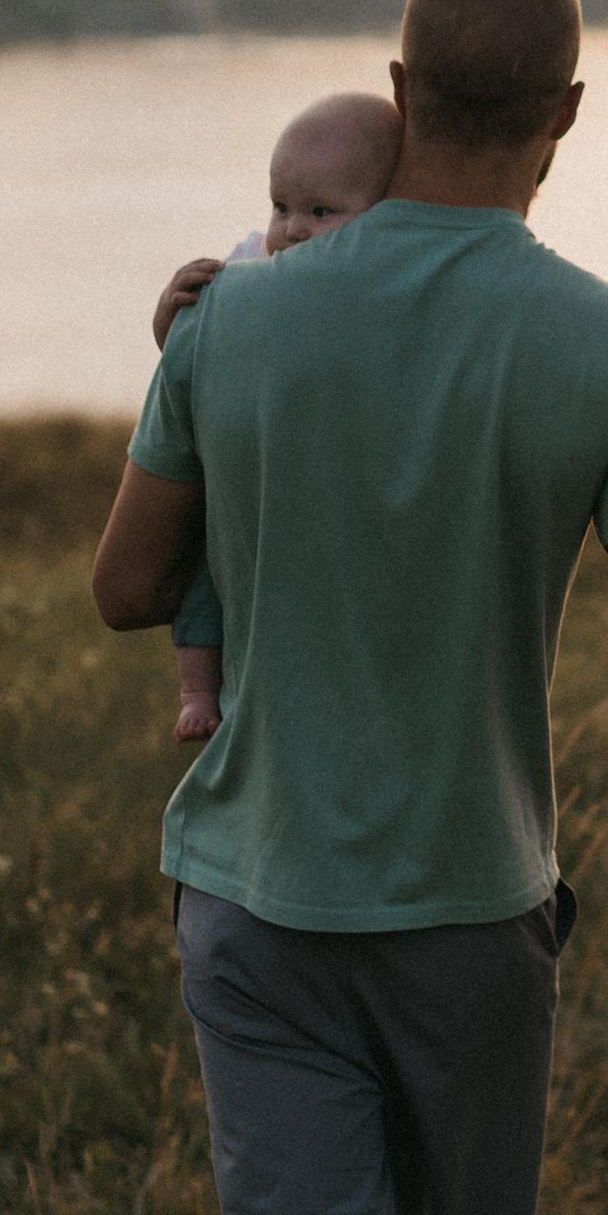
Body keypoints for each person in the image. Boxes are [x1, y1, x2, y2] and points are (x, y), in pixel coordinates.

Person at [91, 0, 608, 1215]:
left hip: (254, 904)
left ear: (402, 91)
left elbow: (126, 588)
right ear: (566, 113)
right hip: (468, 913)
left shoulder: (230, 320)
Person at [152, 90, 404, 745]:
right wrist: (173, 319)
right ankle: (198, 691)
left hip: (319, 502)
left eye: (321, 212)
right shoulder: (249, 270)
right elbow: (189, 364)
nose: (290, 228)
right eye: (281, 206)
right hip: (244, 485)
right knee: (204, 572)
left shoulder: (379, 297)